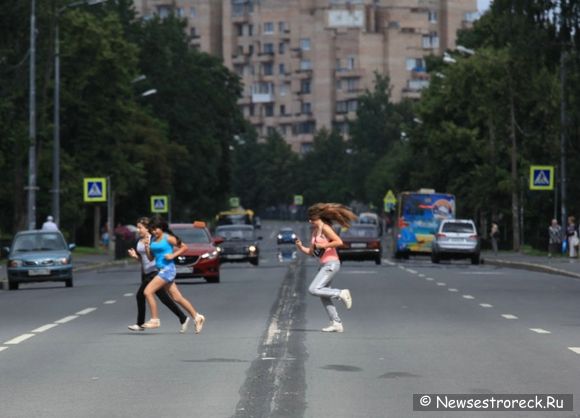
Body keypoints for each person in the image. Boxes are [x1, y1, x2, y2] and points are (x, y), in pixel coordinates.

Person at [295, 203, 357, 333]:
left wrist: (324, 245)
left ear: (318, 218)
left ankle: (340, 293)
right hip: (324, 264)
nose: (310, 221)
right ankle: (336, 323)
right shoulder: (314, 232)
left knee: (313, 289)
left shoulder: (325, 228)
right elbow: (312, 252)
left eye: (311, 219)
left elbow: (339, 242)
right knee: (323, 295)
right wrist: (301, 247)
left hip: (332, 263)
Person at [142, 218, 205, 333]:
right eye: (152, 230)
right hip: (162, 269)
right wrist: (147, 247)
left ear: (161, 228)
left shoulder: (168, 237)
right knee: (177, 298)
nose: (154, 232)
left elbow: (184, 247)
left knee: (147, 291)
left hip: (167, 270)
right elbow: (151, 258)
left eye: (156, 229)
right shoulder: (153, 240)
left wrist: (173, 255)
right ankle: (197, 317)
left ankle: (155, 319)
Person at [127, 217, 189, 332]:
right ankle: (183, 317)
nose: (138, 230)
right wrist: (136, 257)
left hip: (155, 271)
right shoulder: (139, 241)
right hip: (146, 272)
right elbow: (144, 259)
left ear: (147, 228)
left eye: (140, 227)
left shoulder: (153, 240)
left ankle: (142, 323)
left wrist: (170, 257)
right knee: (165, 298)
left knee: (141, 294)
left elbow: (154, 257)